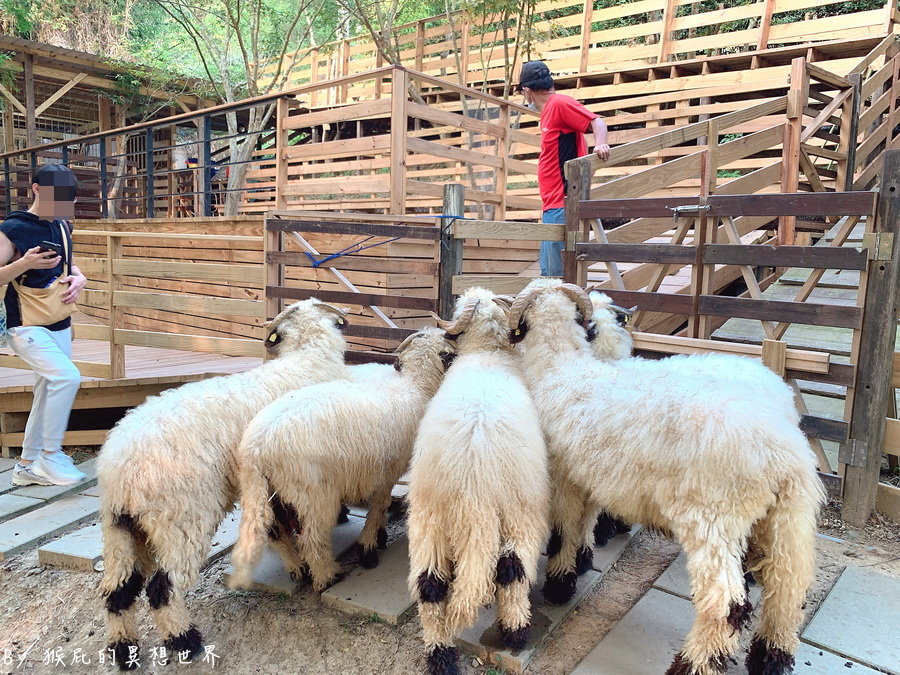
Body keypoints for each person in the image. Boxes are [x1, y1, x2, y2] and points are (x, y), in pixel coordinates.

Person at [0, 164, 88, 486]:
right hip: (24, 324)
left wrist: (80, 279)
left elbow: (71, 265)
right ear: (36, 189)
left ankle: (25, 466)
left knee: (46, 388)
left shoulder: (63, 226)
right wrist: (25, 263)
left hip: (59, 319)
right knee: (66, 377)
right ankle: (50, 456)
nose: (64, 205)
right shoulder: (14, 228)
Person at [517, 61, 611, 277]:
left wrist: (601, 144)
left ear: (527, 91)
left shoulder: (559, 103)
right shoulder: (549, 111)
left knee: (553, 277)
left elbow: (597, 122)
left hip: (562, 200)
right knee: (549, 271)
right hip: (552, 203)